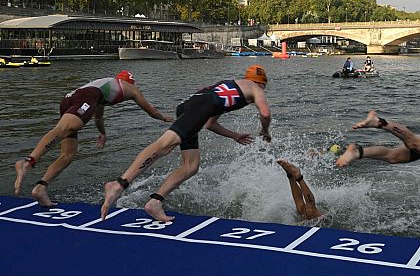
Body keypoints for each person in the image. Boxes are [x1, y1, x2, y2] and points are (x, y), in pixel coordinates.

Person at [101, 64, 272, 221]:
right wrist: (265, 131)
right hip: (201, 108)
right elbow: (265, 113)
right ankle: (119, 184)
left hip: (190, 105)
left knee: (191, 165)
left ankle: (155, 202)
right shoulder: (256, 88)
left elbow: (209, 123)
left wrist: (234, 135)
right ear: (261, 83)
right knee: (164, 146)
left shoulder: (231, 85)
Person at [13, 71, 172, 207]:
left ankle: (40, 188)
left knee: (68, 154)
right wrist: (163, 118)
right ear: (129, 82)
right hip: (85, 97)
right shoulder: (128, 87)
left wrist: (102, 133)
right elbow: (149, 109)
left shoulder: (104, 88)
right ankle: (28, 162)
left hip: (70, 99)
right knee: (64, 129)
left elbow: (98, 117)